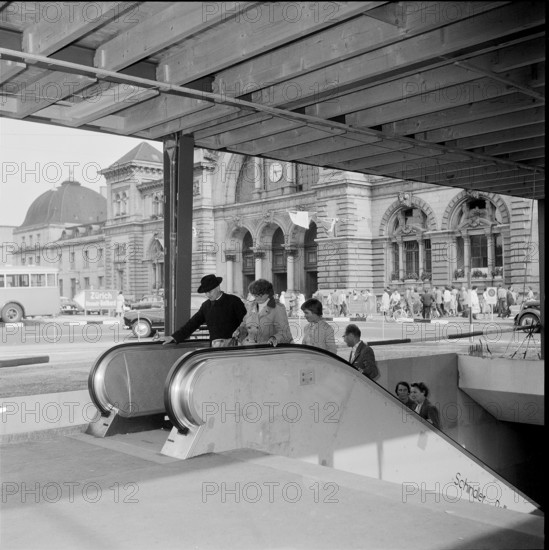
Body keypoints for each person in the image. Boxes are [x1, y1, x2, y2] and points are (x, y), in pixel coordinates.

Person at [163, 274, 246, 345]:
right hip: (214, 348)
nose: (208, 295)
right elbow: (192, 324)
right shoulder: (206, 306)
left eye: (210, 291)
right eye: (206, 292)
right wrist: (174, 337)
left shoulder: (234, 301)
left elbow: (245, 322)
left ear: (218, 287)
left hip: (234, 348)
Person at [233, 278, 293, 346]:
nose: (257, 297)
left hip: (267, 349)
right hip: (248, 347)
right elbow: (244, 323)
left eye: (260, 295)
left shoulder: (278, 308)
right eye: (255, 295)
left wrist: (274, 338)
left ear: (267, 293)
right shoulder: (250, 306)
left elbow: (284, 332)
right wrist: (239, 330)